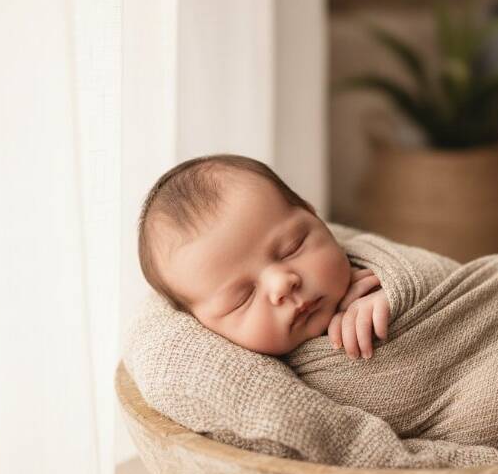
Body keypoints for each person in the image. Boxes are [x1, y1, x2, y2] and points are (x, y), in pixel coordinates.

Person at [137, 153, 388, 359]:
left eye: (293, 247)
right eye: (242, 298)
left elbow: (424, 276)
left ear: (315, 216)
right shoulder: (241, 370)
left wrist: (392, 298)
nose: (282, 284)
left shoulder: (375, 270)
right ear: (203, 326)